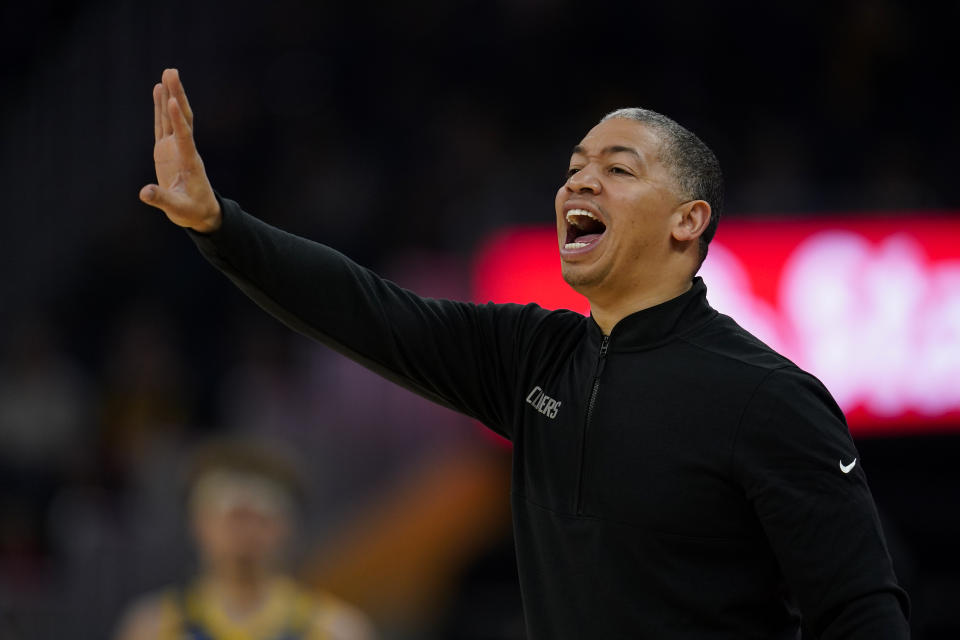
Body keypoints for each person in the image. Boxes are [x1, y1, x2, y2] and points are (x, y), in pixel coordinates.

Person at [139, 68, 910, 638]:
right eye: (575, 165)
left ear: (687, 222)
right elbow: (371, 313)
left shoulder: (770, 397)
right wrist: (219, 226)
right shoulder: (534, 358)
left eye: (618, 168)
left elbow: (861, 613)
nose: (580, 180)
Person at [114, 439, 376, 640]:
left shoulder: (336, 629)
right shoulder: (154, 627)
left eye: (262, 516)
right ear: (198, 522)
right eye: (232, 515)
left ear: (289, 526)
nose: (246, 529)